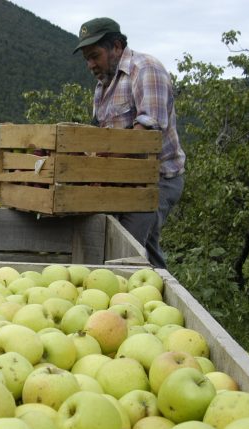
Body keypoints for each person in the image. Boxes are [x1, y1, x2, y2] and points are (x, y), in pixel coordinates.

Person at [73, 18, 185, 269]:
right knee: (143, 249)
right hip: (125, 180)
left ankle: (136, 299)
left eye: (95, 56)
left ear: (116, 45)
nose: (91, 65)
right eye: (87, 59)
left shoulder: (145, 69)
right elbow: (100, 137)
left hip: (157, 180)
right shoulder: (103, 87)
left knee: (124, 247)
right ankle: (162, 294)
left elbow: (146, 134)